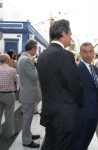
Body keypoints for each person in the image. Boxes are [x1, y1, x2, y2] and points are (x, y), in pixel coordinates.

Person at [36, 19, 84, 150]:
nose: (71, 37)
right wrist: (80, 102)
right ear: (63, 33)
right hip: (64, 115)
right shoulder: (65, 55)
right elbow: (75, 86)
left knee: (49, 144)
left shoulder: (43, 55)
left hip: (49, 111)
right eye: (70, 34)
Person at [72, 42, 98, 150]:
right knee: (78, 144)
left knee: (85, 143)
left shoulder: (96, 69)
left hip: (94, 113)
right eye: (85, 52)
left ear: (94, 53)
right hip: (82, 114)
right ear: (80, 54)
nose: (88, 54)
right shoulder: (76, 69)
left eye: (90, 51)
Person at [17, 40, 41, 148]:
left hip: (28, 92)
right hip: (28, 93)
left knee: (29, 117)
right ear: (32, 48)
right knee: (27, 118)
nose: (36, 50)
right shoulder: (26, 60)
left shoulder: (24, 58)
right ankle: (26, 140)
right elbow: (35, 76)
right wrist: (38, 67)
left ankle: (28, 135)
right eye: (36, 48)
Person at [0, 54, 19, 139]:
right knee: (9, 115)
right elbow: (17, 82)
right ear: (8, 60)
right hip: (9, 95)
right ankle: (10, 133)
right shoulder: (13, 70)